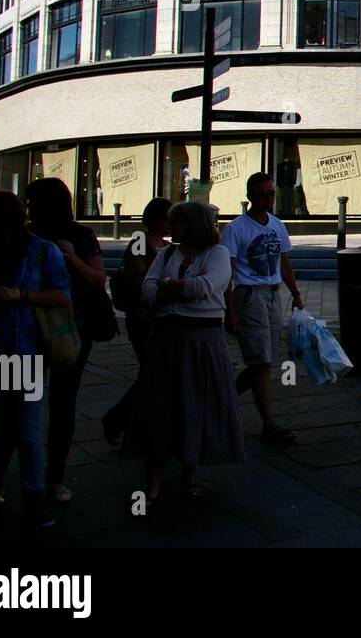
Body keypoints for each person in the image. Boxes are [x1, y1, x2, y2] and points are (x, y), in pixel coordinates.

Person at [0, 191, 71, 536]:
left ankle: (31, 501)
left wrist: (19, 295)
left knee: (27, 431)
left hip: (25, 350)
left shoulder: (41, 251)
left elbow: (61, 296)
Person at [124, 201, 243, 503]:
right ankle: (152, 480)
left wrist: (169, 285)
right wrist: (175, 287)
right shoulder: (167, 253)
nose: (171, 227)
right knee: (160, 406)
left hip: (201, 337)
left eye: (176, 222)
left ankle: (189, 472)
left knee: (195, 404)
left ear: (192, 224)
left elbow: (206, 286)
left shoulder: (216, 254)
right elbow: (147, 291)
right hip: (166, 337)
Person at [25, 177, 107, 504]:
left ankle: (53, 473)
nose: (29, 210)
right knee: (34, 401)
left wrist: (72, 258)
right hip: (33, 325)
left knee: (62, 401)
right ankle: (44, 475)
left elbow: (99, 278)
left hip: (71, 328)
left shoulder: (79, 236)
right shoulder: (27, 235)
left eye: (32, 204)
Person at [220, 173, 302, 445]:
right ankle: (269, 422)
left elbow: (283, 260)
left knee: (263, 358)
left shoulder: (277, 225)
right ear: (250, 197)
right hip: (249, 295)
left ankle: (222, 399)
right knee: (262, 361)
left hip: (271, 293)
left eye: (271, 194)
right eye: (262, 194)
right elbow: (227, 272)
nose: (268, 199)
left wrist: (295, 292)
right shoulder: (236, 229)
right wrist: (229, 309)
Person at [101, 197, 171, 446]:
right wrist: (163, 288)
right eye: (168, 218)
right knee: (152, 373)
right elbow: (136, 280)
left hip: (162, 316)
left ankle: (127, 422)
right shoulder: (141, 243)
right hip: (143, 318)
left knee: (155, 374)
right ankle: (119, 419)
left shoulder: (167, 245)